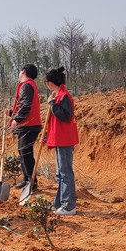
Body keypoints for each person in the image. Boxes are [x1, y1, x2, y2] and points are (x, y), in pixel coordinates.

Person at [44, 67, 79, 215]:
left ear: (50, 83)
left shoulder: (64, 96)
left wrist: (52, 104)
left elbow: (65, 116)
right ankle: (59, 202)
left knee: (65, 173)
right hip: (59, 139)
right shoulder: (58, 96)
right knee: (60, 173)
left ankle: (69, 205)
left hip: (65, 140)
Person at [9, 64, 42, 189]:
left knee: (26, 153)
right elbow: (25, 105)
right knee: (23, 152)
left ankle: (31, 182)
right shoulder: (29, 85)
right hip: (28, 124)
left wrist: (17, 119)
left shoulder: (26, 85)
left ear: (23, 71)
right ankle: (27, 179)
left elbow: (26, 105)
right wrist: (12, 114)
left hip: (29, 125)